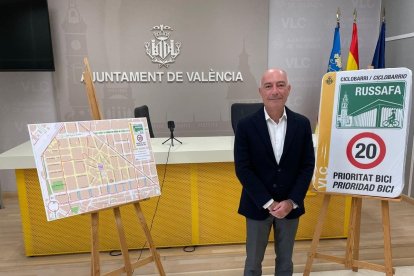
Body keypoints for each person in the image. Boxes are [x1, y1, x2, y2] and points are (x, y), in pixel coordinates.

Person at [234, 68, 315, 276]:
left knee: (286, 262)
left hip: (290, 206)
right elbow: (243, 169)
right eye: (269, 86)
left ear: (289, 89)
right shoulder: (245, 126)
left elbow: (307, 166)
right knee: (252, 263)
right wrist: (268, 203)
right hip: (257, 205)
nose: (275, 91)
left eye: (280, 85)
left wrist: (291, 202)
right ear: (260, 91)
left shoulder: (302, 124)